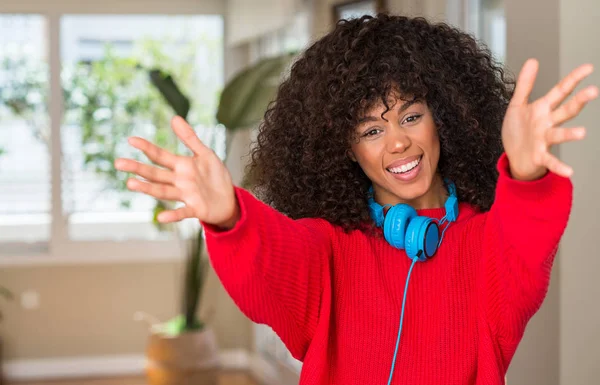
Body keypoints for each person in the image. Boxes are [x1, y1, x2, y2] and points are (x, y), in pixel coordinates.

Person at [114, 14, 596, 385]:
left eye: (411, 117)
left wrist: (527, 172)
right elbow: (272, 257)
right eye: (371, 129)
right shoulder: (327, 249)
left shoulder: (488, 245)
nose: (397, 144)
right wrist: (230, 216)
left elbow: (524, 243)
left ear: (443, 117)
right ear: (345, 148)